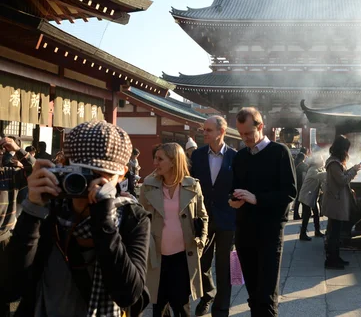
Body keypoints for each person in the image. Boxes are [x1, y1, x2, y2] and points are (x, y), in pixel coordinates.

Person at [0, 120, 151, 316]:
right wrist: (31, 211)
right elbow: (9, 288)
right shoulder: (48, 211)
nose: (85, 184)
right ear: (62, 166)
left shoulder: (131, 217)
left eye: (98, 175)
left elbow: (127, 295)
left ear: (122, 174)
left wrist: (104, 221)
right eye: (79, 172)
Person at [228, 107, 296, 316]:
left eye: (248, 133)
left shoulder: (279, 152)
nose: (244, 138)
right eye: (241, 134)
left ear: (260, 127)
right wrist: (233, 200)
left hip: (269, 233)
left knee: (266, 296)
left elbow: (290, 193)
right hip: (244, 231)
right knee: (252, 294)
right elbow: (235, 188)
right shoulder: (240, 157)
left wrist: (257, 199)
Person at [140, 143, 209, 317]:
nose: (155, 162)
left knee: (181, 305)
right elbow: (140, 219)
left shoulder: (192, 185)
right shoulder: (148, 185)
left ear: (174, 161)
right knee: (159, 305)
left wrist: (200, 243)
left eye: (160, 159)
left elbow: (203, 216)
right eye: (155, 158)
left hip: (183, 255)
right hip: (156, 255)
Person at [190, 116, 237, 317]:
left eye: (208, 130)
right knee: (201, 263)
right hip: (202, 219)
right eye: (204, 129)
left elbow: (240, 185)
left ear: (221, 132)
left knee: (224, 266)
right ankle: (207, 293)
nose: (204, 133)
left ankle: (221, 308)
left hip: (228, 218)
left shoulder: (236, 157)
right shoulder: (197, 156)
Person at [0, 136, 35, 317]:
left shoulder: (9, 174)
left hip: (3, 239)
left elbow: (36, 170)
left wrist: (18, 150)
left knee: (3, 291)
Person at [322, 135, 361, 270]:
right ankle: (331, 260)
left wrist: (352, 169)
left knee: (336, 231)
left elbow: (343, 176)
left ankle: (336, 257)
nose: (347, 152)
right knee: (334, 232)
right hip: (336, 202)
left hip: (338, 200)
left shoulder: (336, 162)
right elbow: (342, 181)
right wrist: (354, 172)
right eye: (346, 149)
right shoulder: (333, 163)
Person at [297, 155, 326, 241]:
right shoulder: (313, 170)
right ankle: (302, 234)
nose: (323, 162)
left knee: (316, 213)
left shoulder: (317, 169)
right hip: (307, 196)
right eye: (321, 160)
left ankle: (317, 231)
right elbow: (320, 176)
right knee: (307, 214)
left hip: (312, 196)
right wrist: (331, 171)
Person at [293, 152, 309, 220]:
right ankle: (304, 214)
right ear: (304, 158)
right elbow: (304, 176)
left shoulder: (293, 163)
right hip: (301, 184)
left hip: (295, 183)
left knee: (297, 200)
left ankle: (295, 215)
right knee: (303, 200)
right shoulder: (304, 165)